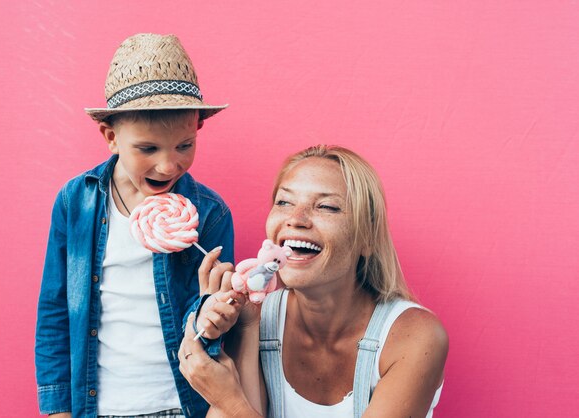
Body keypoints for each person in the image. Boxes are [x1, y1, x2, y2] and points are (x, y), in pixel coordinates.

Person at [35, 33, 243, 418]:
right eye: (148, 149)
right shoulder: (75, 203)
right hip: (96, 405)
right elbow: (54, 309)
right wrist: (57, 408)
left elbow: (214, 328)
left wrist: (216, 315)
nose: (168, 166)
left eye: (184, 145)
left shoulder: (211, 214)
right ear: (111, 137)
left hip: (180, 402)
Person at [179, 145, 449, 418]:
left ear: (366, 238)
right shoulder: (256, 316)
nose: (295, 219)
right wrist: (243, 327)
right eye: (284, 202)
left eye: (326, 207)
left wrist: (229, 401)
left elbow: (235, 407)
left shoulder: (414, 336)